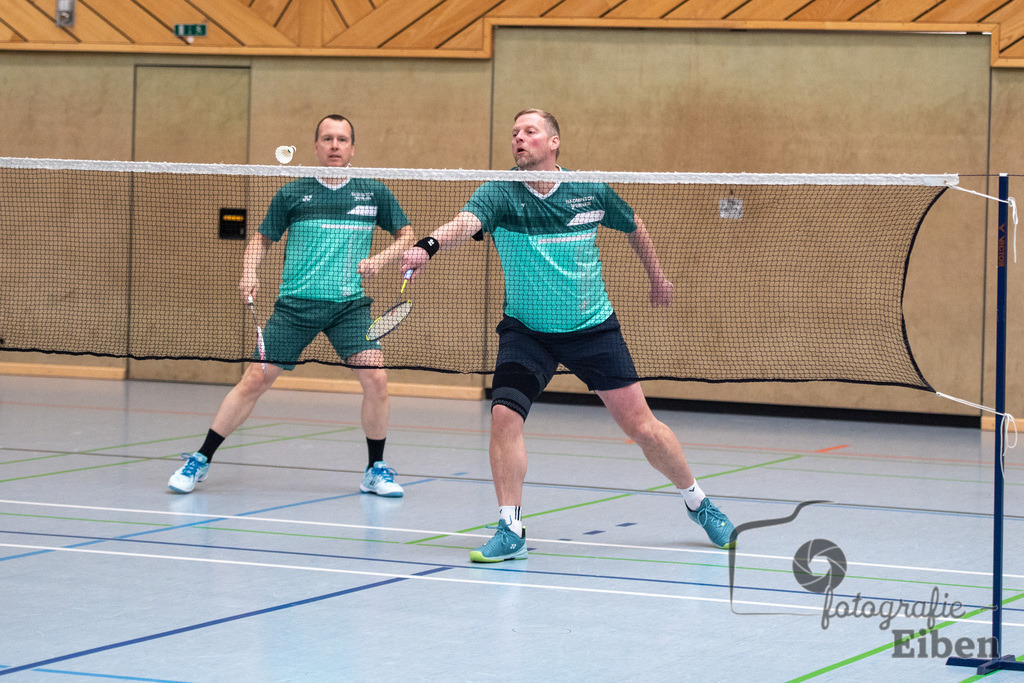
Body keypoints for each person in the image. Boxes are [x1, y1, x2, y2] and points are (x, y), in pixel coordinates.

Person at [401, 109, 736, 562]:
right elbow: (465, 223)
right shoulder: (500, 192)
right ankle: (510, 526)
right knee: (504, 416)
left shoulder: (588, 189)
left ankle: (699, 503)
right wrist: (428, 247)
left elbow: (634, 224)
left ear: (554, 142)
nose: (520, 138)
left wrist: (658, 278)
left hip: (591, 329)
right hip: (528, 332)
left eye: (530, 131)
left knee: (643, 428)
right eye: (515, 133)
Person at [169, 114, 415, 497]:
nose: (335, 145)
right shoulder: (292, 193)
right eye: (327, 139)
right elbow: (261, 240)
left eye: (342, 139)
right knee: (255, 379)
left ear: (352, 148)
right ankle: (200, 459)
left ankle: (375, 468)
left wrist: (381, 259)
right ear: (316, 147)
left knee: (377, 379)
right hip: (295, 306)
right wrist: (249, 272)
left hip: (349, 306)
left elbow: (407, 234)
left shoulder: (373, 192)